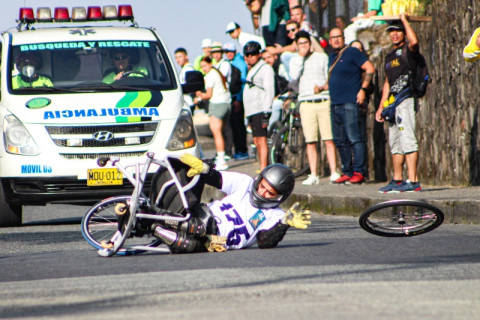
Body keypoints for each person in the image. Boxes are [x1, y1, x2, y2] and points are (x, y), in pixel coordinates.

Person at [151, 154, 311, 253]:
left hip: (212, 240)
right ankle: (153, 214)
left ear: (279, 197)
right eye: (262, 186)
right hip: (204, 216)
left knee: (190, 245)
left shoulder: (276, 216)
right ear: (259, 179)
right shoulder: (245, 183)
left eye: (269, 192)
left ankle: (155, 226)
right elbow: (218, 179)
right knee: (192, 171)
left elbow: (265, 241)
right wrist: (205, 169)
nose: (262, 192)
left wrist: (283, 224)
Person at [375, 15, 422, 193]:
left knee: (408, 140)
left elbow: (415, 41)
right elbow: (388, 82)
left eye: (398, 31)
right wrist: (381, 106)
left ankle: (413, 180)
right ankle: (398, 180)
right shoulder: (389, 56)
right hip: (393, 103)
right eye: (392, 32)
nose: (395, 35)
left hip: (406, 99)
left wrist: (405, 21)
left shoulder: (408, 51)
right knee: (395, 143)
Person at [289, 31, 340, 185]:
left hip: (323, 100)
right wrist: (300, 57)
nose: (303, 46)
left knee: (328, 139)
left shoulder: (322, 57)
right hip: (306, 103)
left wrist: (323, 88)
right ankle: (314, 174)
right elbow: (294, 76)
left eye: (305, 43)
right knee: (310, 141)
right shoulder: (295, 60)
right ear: (297, 45)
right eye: (300, 44)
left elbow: (328, 78)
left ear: (310, 44)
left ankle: (334, 171)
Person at [328, 27, 374, 184]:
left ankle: (359, 172)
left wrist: (363, 89)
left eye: (338, 36)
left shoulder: (352, 52)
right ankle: (347, 171)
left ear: (343, 38)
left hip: (349, 102)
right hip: (335, 103)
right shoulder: (331, 57)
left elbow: (370, 68)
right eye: (333, 37)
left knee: (354, 138)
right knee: (340, 140)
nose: (336, 39)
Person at [194, 56, 231, 171]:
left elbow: (208, 94)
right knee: (220, 131)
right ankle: (221, 157)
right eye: (201, 67)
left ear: (210, 64)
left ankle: (221, 160)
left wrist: (199, 94)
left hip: (217, 104)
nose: (203, 69)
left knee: (216, 132)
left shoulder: (210, 75)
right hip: (225, 104)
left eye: (204, 65)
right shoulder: (217, 73)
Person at [243, 41, 275, 172]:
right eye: (247, 55)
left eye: (252, 54)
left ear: (259, 54)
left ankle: (264, 168)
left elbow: (269, 89)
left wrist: (267, 111)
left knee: (262, 141)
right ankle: (262, 166)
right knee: (256, 141)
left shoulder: (265, 68)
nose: (249, 57)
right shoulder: (252, 69)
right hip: (252, 110)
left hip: (261, 109)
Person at [224, 42, 250, 161]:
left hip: (238, 97)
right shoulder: (232, 62)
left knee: (238, 126)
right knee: (235, 125)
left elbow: (242, 83)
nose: (228, 54)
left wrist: (239, 99)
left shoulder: (239, 63)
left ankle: (242, 150)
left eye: (230, 51)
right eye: (226, 52)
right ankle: (239, 150)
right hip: (234, 97)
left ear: (234, 52)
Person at [211, 42, 234, 160]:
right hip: (218, 98)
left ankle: (228, 151)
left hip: (224, 98)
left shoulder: (224, 65)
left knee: (226, 127)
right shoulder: (216, 65)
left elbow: (221, 78)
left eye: (217, 52)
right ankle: (223, 150)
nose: (216, 55)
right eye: (213, 53)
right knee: (222, 127)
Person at [261, 46, 290, 127]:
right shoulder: (266, 69)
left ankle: (272, 132)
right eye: (264, 58)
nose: (267, 60)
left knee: (276, 104)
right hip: (276, 96)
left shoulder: (281, 67)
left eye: (269, 57)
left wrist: (279, 95)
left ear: (275, 56)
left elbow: (288, 83)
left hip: (286, 94)